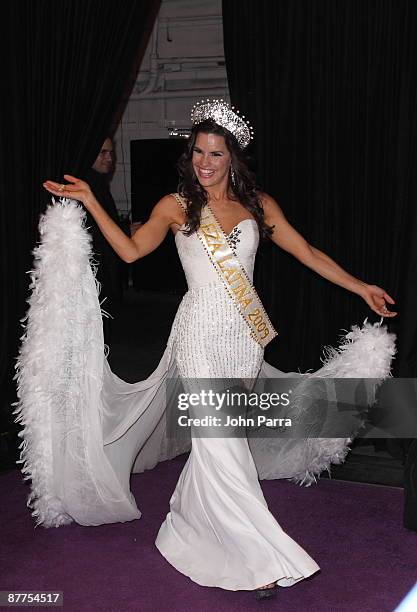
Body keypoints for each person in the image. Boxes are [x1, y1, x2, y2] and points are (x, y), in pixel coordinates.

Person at [42, 100, 396, 600]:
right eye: (198, 152)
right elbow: (129, 250)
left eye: (216, 153)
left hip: (243, 341)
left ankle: (190, 519)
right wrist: (91, 200)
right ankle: (259, 556)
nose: (205, 162)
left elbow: (308, 253)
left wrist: (361, 287)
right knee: (223, 441)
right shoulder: (175, 205)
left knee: (219, 446)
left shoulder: (259, 206)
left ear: (233, 159)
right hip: (200, 335)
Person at [83, 137, 124, 344]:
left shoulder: (97, 184)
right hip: (93, 267)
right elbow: (93, 229)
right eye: (103, 153)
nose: (110, 158)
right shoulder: (87, 186)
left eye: (111, 152)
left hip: (101, 264)